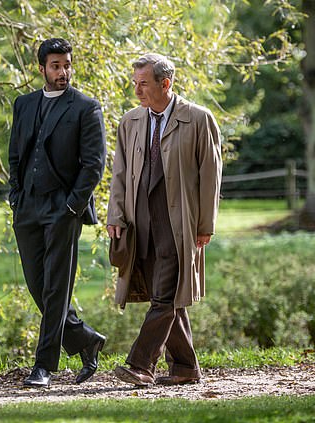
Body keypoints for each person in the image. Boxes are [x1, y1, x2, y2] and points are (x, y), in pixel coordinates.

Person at [106, 53, 222, 386]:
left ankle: (141, 364)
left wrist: (205, 225)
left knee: (165, 296)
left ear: (165, 83)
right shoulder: (129, 122)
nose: (137, 91)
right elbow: (119, 173)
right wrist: (116, 215)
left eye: (143, 84)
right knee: (168, 295)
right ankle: (185, 367)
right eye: (135, 84)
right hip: (140, 224)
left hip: (179, 223)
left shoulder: (199, 119)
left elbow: (211, 176)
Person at [8, 38, 107, 387]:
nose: (63, 72)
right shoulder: (23, 104)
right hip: (28, 207)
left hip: (63, 208)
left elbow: (94, 165)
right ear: (42, 68)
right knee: (39, 286)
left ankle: (44, 367)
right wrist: (15, 196)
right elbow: (16, 156)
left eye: (67, 64)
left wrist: (71, 207)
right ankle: (84, 339)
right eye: (56, 66)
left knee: (55, 289)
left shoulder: (85, 107)